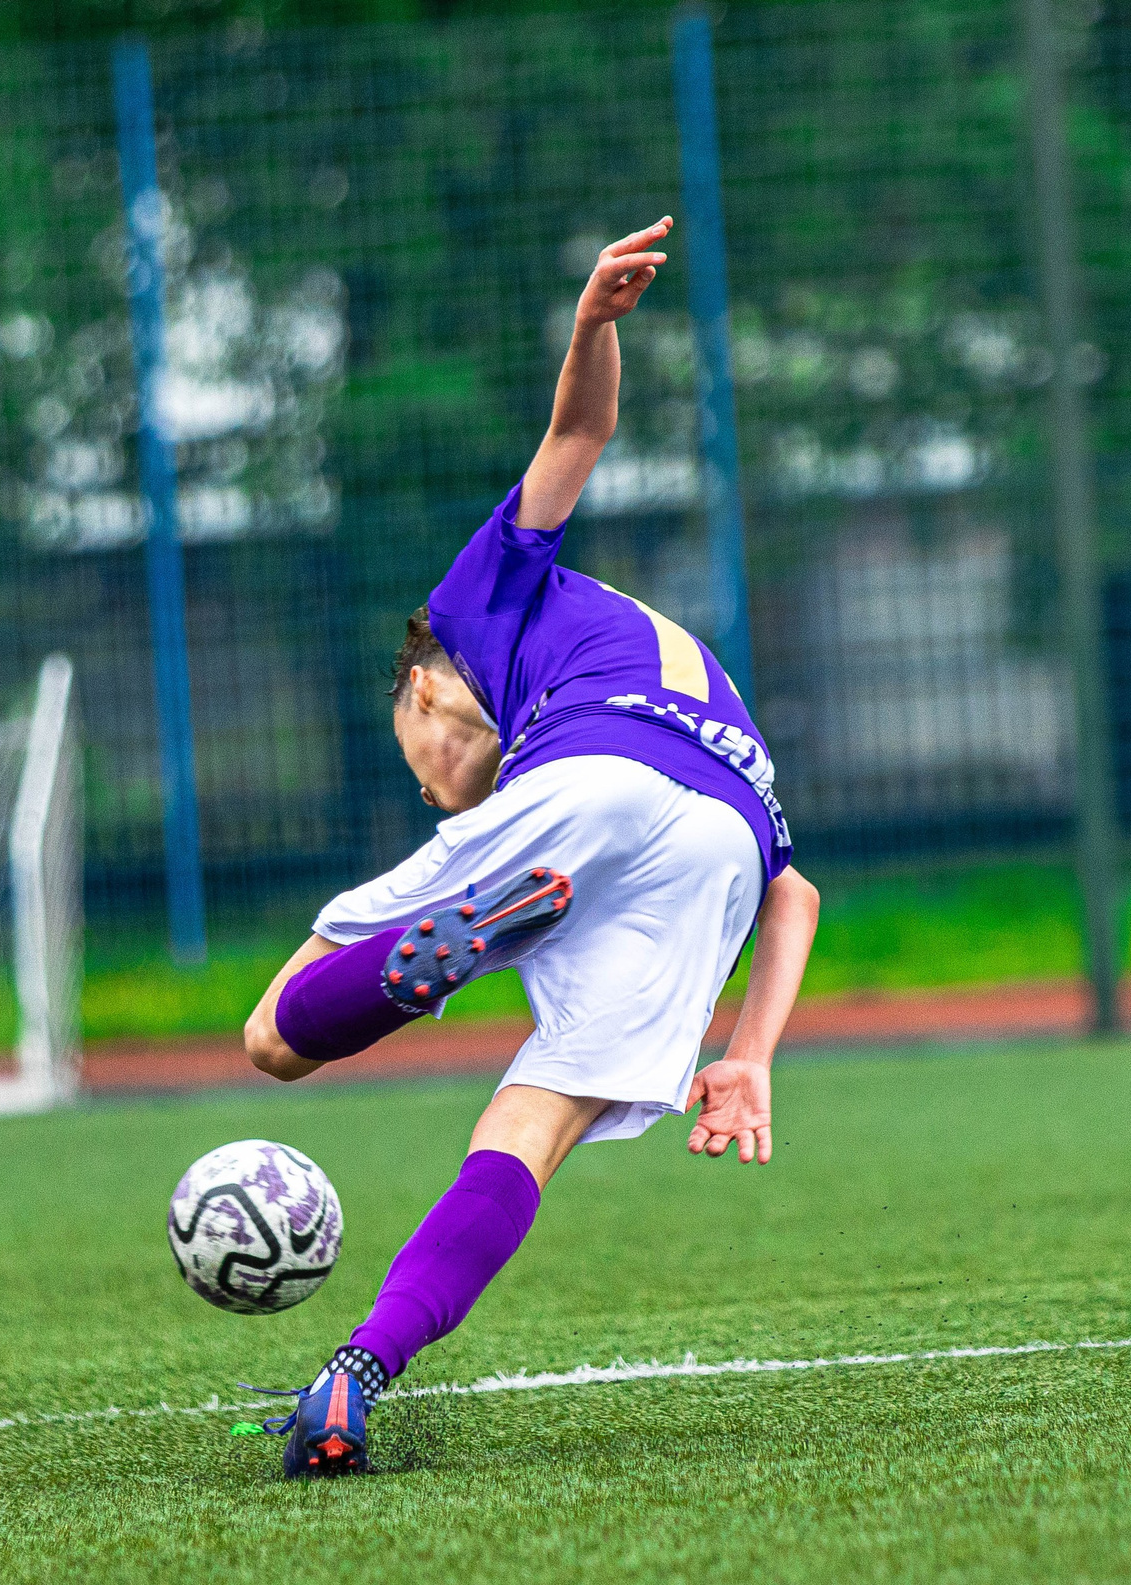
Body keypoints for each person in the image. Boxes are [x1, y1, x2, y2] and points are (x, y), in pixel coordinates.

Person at [238, 218, 823, 1477]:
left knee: (274, 1034)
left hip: (591, 784)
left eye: (425, 768)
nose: (443, 799)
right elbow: (795, 896)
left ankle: (430, 965)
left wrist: (590, 329)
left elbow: (577, 435)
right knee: (528, 1127)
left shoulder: (469, 611)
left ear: (423, 691)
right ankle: (357, 1372)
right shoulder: (656, 647)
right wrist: (749, 1053)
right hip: (728, 833)